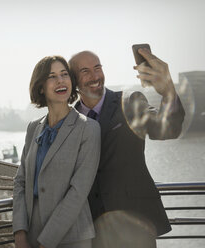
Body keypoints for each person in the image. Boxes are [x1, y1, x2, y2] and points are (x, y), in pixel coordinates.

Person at [68, 49, 185, 248]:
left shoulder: (130, 102)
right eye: (85, 71)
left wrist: (167, 91)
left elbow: (168, 129)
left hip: (135, 225)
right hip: (90, 230)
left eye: (98, 68)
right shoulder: (69, 120)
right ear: (73, 80)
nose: (95, 76)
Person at [13, 55, 101, 248]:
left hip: (73, 237)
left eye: (64, 74)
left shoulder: (89, 129)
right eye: (52, 76)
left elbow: (78, 191)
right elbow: (20, 181)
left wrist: (47, 242)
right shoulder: (32, 128)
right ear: (41, 87)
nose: (60, 80)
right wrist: (20, 232)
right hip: (31, 235)